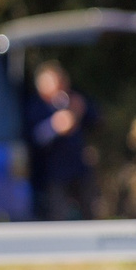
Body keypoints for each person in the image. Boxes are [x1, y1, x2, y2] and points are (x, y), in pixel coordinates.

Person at [22, 61, 97, 221]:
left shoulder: (72, 99)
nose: (58, 87)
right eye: (52, 83)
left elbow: (96, 120)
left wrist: (82, 109)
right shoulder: (34, 107)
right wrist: (54, 126)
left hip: (79, 169)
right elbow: (33, 139)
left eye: (60, 81)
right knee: (58, 216)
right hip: (53, 174)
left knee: (89, 212)